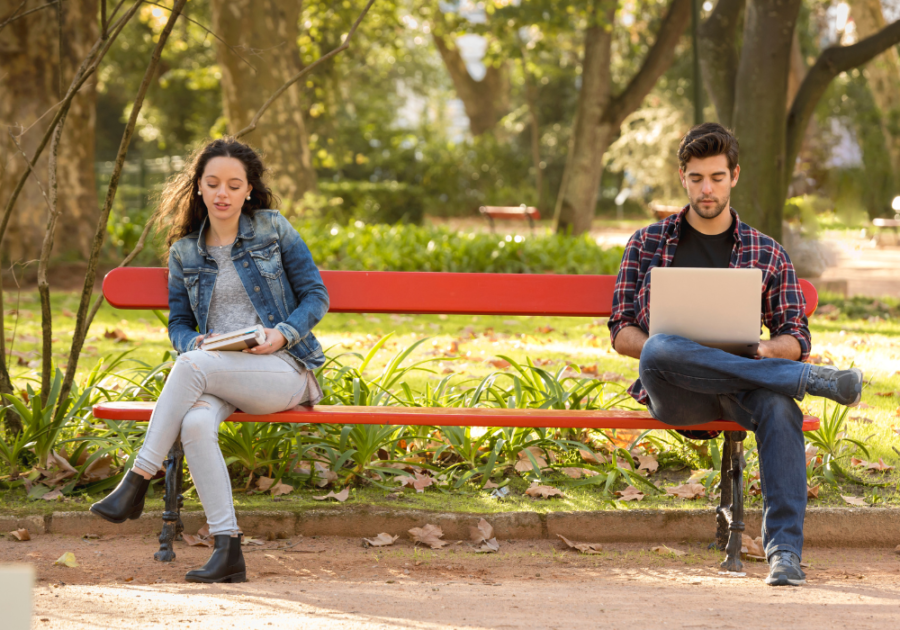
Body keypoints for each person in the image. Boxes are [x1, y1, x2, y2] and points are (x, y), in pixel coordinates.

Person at [608, 122, 863, 587]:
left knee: (780, 407)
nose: (707, 189)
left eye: (718, 177)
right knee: (661, 346)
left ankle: (785, 553)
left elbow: (796, 338)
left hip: (744, 391)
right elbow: (622, 331)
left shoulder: (767, 252)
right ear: (682, 176)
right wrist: (671, 351)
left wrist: (765, 350)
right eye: (697, 178)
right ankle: (805, 381)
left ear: (735, 176)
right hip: (676, 392)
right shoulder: (646, 244)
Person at [90, 138, 329, 584]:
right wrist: (196, 339)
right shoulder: (185, 252)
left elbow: (316, 294)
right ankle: (227, 549)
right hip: (218, 370)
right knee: (196, 421)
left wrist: (282, 334)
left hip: (283, 370)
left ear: (248, 191)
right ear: (198, 187)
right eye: (213, 183)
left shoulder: (273, 228)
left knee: (190, 365)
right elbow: (179, 325)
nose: (222, 193)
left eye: (233, 185)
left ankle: (138, 478)